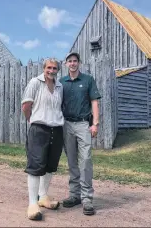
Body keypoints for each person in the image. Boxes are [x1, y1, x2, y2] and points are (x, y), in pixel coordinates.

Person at [21, 58, 64, 221]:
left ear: (58, 70)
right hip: (39, 129)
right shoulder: (35, 82)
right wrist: (32, 121)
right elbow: (26, 106)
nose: (51, 70)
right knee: (36, 165)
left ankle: (43, 197)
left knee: (50, 165)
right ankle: (33, 204)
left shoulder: (60, 86)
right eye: (49, 68)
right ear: (44, 68)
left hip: (57, 129)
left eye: (54, 68)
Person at [59, 52, 101, 216]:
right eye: (70, 61)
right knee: (72, 161)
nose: (73, 63)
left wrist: (95, 123)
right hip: (67, 125)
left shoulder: (88, 80)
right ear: (66, 64)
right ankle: (74, 195)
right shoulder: (61, 82)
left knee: (85, 161)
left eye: (75, 61)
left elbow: (94, 101)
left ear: (79, 63)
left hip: (84, 124)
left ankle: (87, 199)